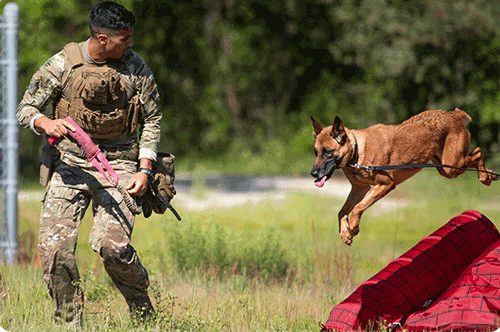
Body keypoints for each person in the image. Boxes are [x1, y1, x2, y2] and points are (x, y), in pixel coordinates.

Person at [16, 1, 163, 326]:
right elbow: (25, 107)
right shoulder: (63, 64)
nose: (131, 44)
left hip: (121, 165)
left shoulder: (135, 68)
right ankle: (71, 324)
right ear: (101, 39)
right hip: (70, 164)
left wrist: (144, 168)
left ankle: (142, 306)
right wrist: (45, 123)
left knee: (111, 247)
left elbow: (152, 119)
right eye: (124, 38)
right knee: (54, 250)